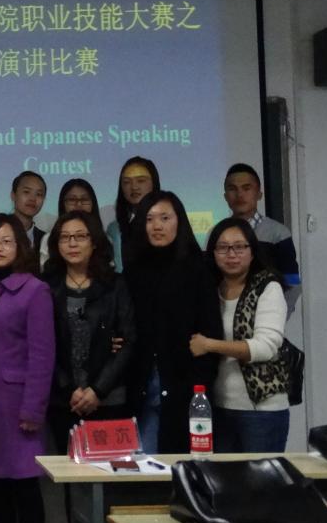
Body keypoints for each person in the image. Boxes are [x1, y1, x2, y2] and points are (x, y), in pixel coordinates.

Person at [0, 214, 53, 523]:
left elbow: (42, 355)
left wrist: (33, 409)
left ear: (20, 246)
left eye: (6, 241)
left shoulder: (35, 290)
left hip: (18, 406)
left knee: (25, 488)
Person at [124, 191, 222, 454]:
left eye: (165, 218)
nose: (157, 226)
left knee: (182, 470)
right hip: (141, 387)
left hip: (186, 389)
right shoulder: (132, 272)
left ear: (179, 221)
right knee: (144, 471)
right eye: (149, 219)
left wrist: (199, 385)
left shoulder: (198, 269)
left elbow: (210, 330)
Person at [189, 218, 290, 453]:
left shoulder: (267, 287)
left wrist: (210, 345)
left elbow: (265, 347)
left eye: (240, 247)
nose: (231, 254)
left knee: (260, 477)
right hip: (218, 405)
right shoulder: (209, 289)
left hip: (261, 410)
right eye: (223, 248)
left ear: (252, 252)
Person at [42, 210, 136, 453]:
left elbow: (128, 341)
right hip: (64, 400)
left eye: (80, 236)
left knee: (108, 468)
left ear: (94, 242)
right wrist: (69, 389)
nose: (72, 243)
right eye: (65, 237)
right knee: (65, 470)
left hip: (109, 397)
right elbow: (44, 345)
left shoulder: (115, 285)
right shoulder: (46, 287)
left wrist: (97, 390)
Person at [223, 163, 301, 317]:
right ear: (225, 197)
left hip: (267, 319)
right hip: (226, 319)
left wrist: (276, 316)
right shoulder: (218, 234)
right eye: (232, 189)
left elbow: (292, 281)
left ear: (259, 194)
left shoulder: (278, 233)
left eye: (246, 188)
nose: (239, 195)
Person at [106, 156, 161, 273]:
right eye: (126, 182)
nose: (134, 187)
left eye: (141, 181)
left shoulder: (168, 224)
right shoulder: (114, 229)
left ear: (154, 183)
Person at [38, 178, 102, 267]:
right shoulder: (49, 239)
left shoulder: (103, 237)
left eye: (84, 199)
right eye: (72, 200)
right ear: (63, 204)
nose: (79, 204)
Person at [10, 171, 47, 252]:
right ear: (13, 195)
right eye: (26, 192)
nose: (32, 199)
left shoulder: (46, 240)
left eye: (39, 194)